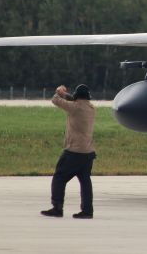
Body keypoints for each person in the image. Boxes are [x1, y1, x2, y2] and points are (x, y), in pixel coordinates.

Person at [40, 84, 96, 219]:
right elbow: (75, 100)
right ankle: (87, 211)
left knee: (59, 178)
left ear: (77, 96)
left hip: (73, 152)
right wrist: (66, 94)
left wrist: (58, 92)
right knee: (85, 182)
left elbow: (56, 101)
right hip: (88, 153)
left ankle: (57, 208)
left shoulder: (75, 108)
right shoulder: (91, 108)